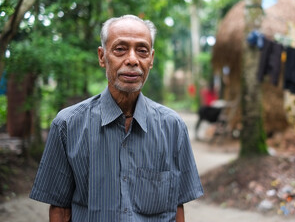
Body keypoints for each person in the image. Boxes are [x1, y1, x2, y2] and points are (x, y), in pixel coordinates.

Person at [30, 14, 203, 222]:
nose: (132, 60)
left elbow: (176, 209)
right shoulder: (67, 125)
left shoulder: (172, 127)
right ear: (102, 57)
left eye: (142, 51)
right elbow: (60, 210)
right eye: (120, 49)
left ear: (151, 60)